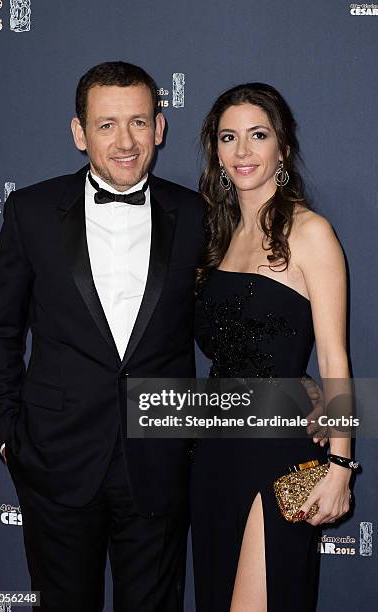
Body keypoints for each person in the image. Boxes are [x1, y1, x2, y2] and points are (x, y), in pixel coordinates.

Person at [0, 61, 205, 612]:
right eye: (106, 125)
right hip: (55, 459)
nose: (125, 141)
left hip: (158, 459)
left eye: (139, 122)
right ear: (79, 132)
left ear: (160, 127)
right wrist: (7, 433)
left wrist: (304, 403)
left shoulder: (196, 213)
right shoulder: (30, 210)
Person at [191, 83, 355, 612]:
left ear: (281, 148)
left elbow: (334, 360)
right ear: (215, 151)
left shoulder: (311, 233)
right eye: (228, 137)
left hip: (278, 450)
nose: (242, 152)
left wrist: (340, 467)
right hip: (214, 450)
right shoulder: (217, 237)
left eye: (257, 136)